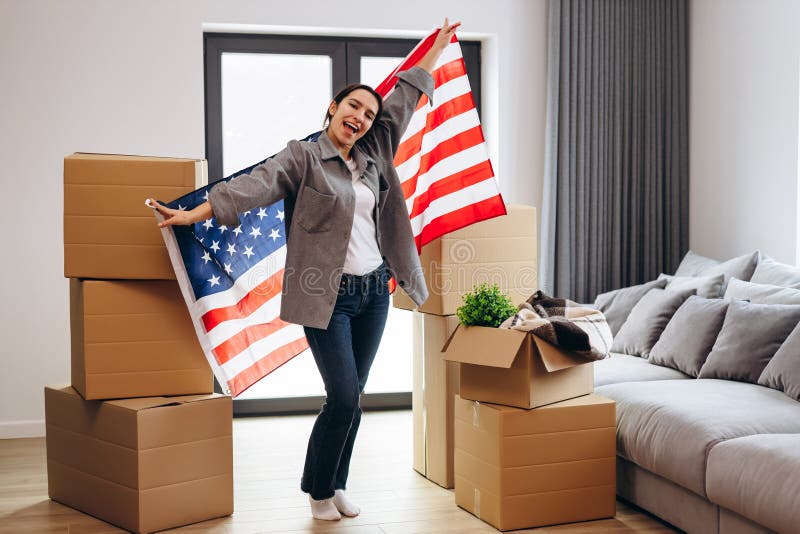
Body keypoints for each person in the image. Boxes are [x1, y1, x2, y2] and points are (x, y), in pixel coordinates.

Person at [149, 19, 461, 521]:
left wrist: (438, 48)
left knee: (353, 397)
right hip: (327, 297)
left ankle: (336, 483)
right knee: (341, 395)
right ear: (333, 109)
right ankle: (317, 490)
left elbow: (404, 98)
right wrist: (194, 212)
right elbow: (256, 184)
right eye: (352, 106)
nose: (360, 116)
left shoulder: (376, 152)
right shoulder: (304, 157)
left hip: (373, 292)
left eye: (368, 112)